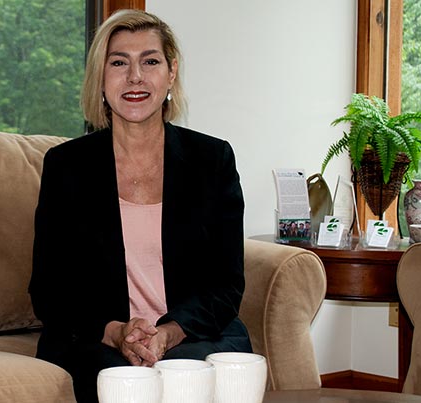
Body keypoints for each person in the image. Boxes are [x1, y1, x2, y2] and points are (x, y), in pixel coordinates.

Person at [28, 9, 253, 403]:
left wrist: (167, 333)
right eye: (119, 63)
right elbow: (50, 289)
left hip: (191, 335)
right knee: (122, 382)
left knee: (186, 376)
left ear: (171, 72)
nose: (135, 77)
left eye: (150, 61)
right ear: (101, 77)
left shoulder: (212, 159)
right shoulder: (67, 167)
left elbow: (226, 284)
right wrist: (116, 331)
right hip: (97, 340)